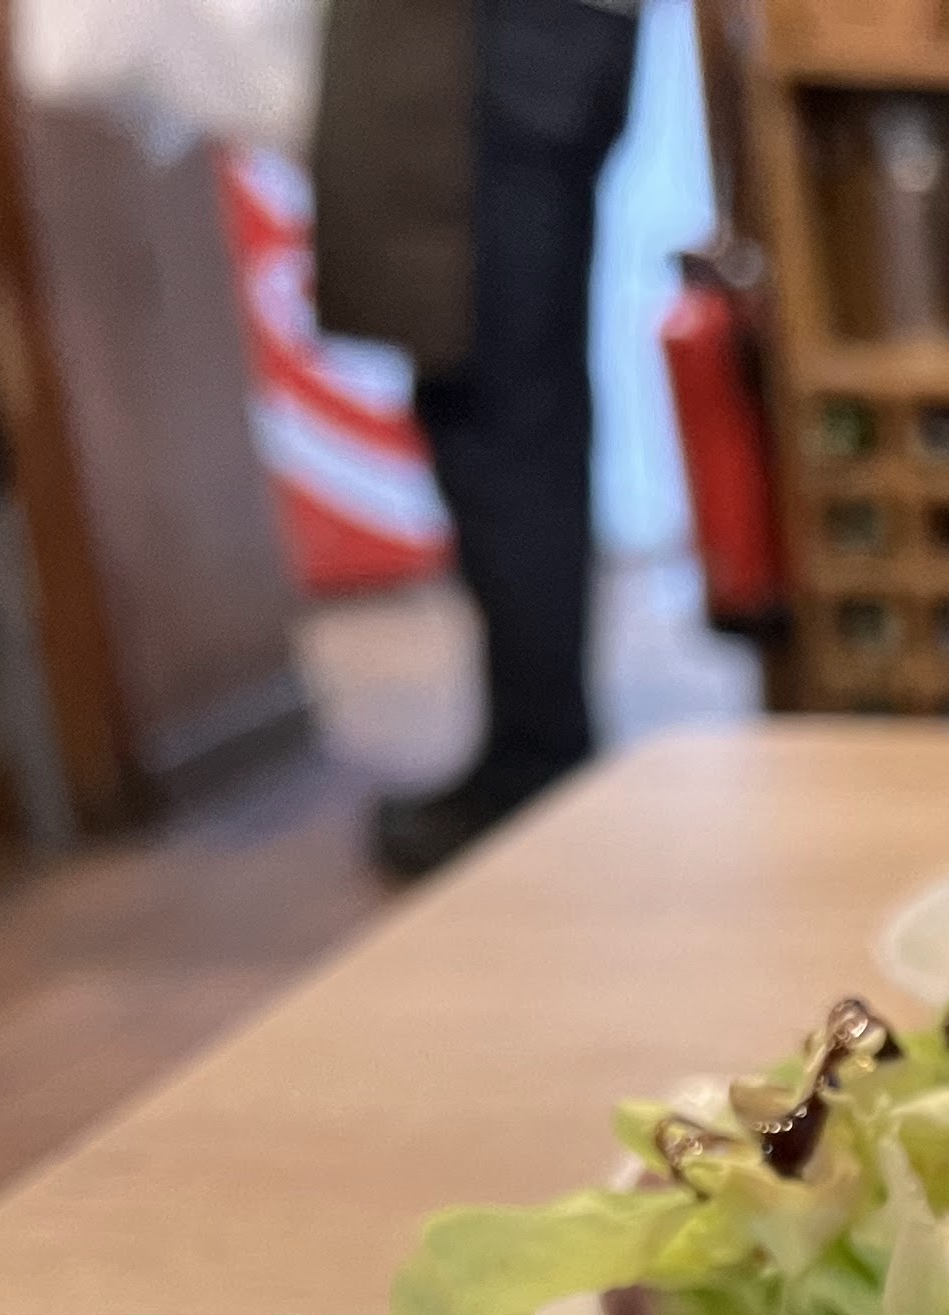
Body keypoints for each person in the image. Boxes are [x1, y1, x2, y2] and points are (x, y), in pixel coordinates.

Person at [311, 0, 644, 879]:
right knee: (512, 408)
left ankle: (538, 764)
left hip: (494, 48)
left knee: (505, 418)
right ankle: (535, 751)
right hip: (522, 47)